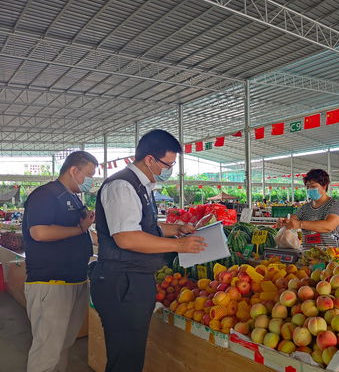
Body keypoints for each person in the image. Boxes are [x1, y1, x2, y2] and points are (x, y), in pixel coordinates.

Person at [90, 129, 206, 372]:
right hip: (122, 282)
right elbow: (126, 238)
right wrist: (179, 245)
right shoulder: (122, 186)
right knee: (125, 357)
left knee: (131, 353)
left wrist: (175, 229)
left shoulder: (142, 186)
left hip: (133, 280)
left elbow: (144, 227)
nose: (170, 170)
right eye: (168, 164)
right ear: (150, 160)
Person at [22, 151, 98, 372]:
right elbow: (40, 232)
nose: (90, 181)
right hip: (51, 283)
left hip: (76, 281)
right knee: (47, 350)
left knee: (62, 345)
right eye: (89, 175)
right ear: (74, 171)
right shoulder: (45, 195)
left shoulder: (74, 198)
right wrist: (78, 229)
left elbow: (86, 233)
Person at [278, 169, 339, 255]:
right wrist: (285, 222)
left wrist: (300, 224)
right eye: (307, 187)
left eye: (313, 186)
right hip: (309, 258)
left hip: (333, 258)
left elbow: (329, 225)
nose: (310, 189)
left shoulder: (334, 204)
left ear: (324, 186)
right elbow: (292, 220)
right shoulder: (304, 208)